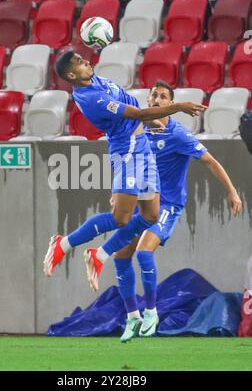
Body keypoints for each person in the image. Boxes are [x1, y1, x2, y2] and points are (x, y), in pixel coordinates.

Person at [92, 80, 242, 342]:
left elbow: (210, 161)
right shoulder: (137, 130)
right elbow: (124, 160)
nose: (156, 99)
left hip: (167, 205)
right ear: (148, 102)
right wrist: (118, 193)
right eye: (153, 96)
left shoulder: (178, 135)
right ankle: (132, 316)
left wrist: (231, 191)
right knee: (120, 255)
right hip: (141, 204)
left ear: (170, 105)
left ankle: (151, 311)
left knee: (142, 251)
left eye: (163, 96)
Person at [43, 51, 206, 290]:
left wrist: (148, 123)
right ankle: (63, 244)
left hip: (143, 148)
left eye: (83, 58)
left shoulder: (93, 78)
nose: (87, 61)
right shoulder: (91, 98)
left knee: (151, 215)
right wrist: (178, 106)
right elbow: (138, 113)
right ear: (71, 75)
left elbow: (133, 109)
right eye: (79, 62)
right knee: (121, 218)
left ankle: (98, 255)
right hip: (128, 151)